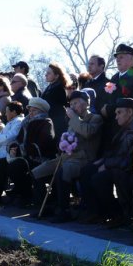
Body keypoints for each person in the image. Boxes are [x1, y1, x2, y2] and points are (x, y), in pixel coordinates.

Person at [31, 90, 104, 222]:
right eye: (72, 104)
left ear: (86, 104)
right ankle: (46, 205)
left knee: (63, 172)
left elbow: (87, 132)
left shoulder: (95, 118)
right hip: (66, 157)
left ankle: (64, 210)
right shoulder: (72, 120)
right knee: (38, 172)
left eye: (76, 103)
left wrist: (74, 118)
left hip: (83, 159)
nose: (73, 107)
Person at [79, 98, 133, 228]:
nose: (116, 117)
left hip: (127, 169)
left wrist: (107, 164)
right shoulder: (124, 127)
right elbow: (115, 151)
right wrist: (103, 161)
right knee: (87, 170)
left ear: (130, 112)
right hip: (116, 163)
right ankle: (96, 212)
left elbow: (131, 159)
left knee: (99, 179)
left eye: (119, 113)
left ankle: (118, 214)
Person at [6, 98, 57, 207]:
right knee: (13, 167)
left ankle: (38, 202)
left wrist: (22, 149)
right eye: (30, 110)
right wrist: (14, 147)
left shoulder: (46, 122)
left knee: (23, 168)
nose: (31, 113)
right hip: (27, 156)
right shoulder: (26, 122)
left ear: (42, 111)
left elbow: (44, 143)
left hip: (41, 157)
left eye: (34, 110)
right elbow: (18, 139)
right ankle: (25, 195)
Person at [41, 62, 71, 139]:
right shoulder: (50, 87)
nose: (46, 75)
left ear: (57, 76)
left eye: (49, 73)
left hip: (56, 125)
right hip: (48, 122)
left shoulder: (59, 89)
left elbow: (58, 108)